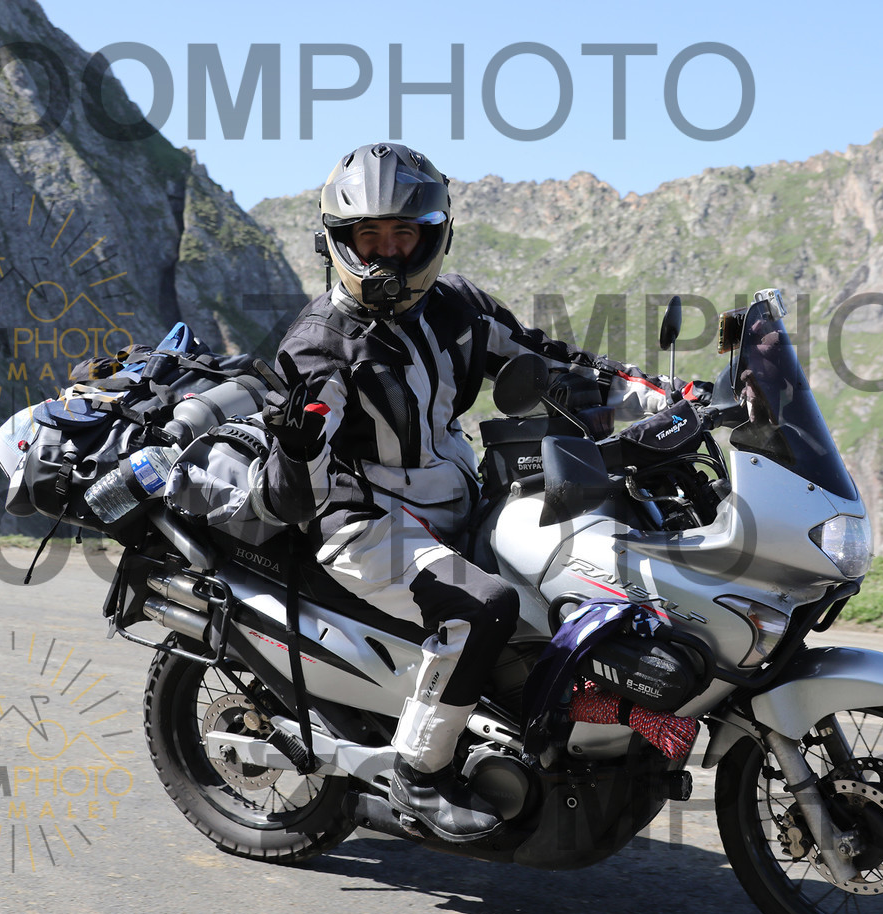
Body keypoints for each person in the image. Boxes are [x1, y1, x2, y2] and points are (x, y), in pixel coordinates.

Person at [256, 142, 699, 843]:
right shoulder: (322, 345)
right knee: (482, 606)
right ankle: (418, 773)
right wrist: (300, 441)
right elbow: (292, 497)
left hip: (452, 500)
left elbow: (552, 363)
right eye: (369, 238)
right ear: (340, 241)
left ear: (433, 236)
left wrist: (666, 397)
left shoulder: (455, 307)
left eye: (404, 236)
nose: (387, 255)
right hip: (362, 523)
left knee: (575, 565)